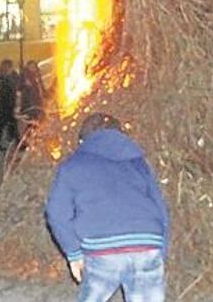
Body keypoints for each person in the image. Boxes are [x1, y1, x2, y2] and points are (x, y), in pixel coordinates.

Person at [45, 113, 169, 302]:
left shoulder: (73, 166)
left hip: (102, 247)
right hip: (147, 242)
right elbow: (161, 209)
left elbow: (56, 213)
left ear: (82, 140)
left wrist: (74, 253)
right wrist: (160, 250)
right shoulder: (138, 164)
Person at [0, 59, 20, 151]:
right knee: (6, 123)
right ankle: (16, 142)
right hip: (3, 103)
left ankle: (13, 141)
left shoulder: (12, 74)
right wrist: (9, 77)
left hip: (10, 102)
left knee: (7, 124)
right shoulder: (0, 76)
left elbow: (17, 83)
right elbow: (4, 88)